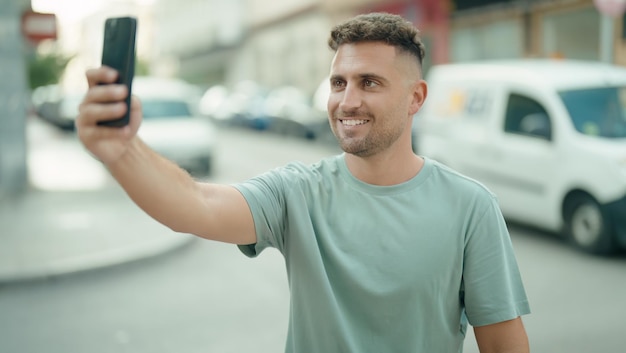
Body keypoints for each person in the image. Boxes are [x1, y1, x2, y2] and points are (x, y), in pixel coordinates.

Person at [77, 12, 530, 353]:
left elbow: (502, 344)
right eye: (338, 82)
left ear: (416, 97)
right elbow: (196, 204)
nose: (347, 101)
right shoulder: (298, 191)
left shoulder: (471, 206)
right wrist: (122, 151)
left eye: (369, 82)